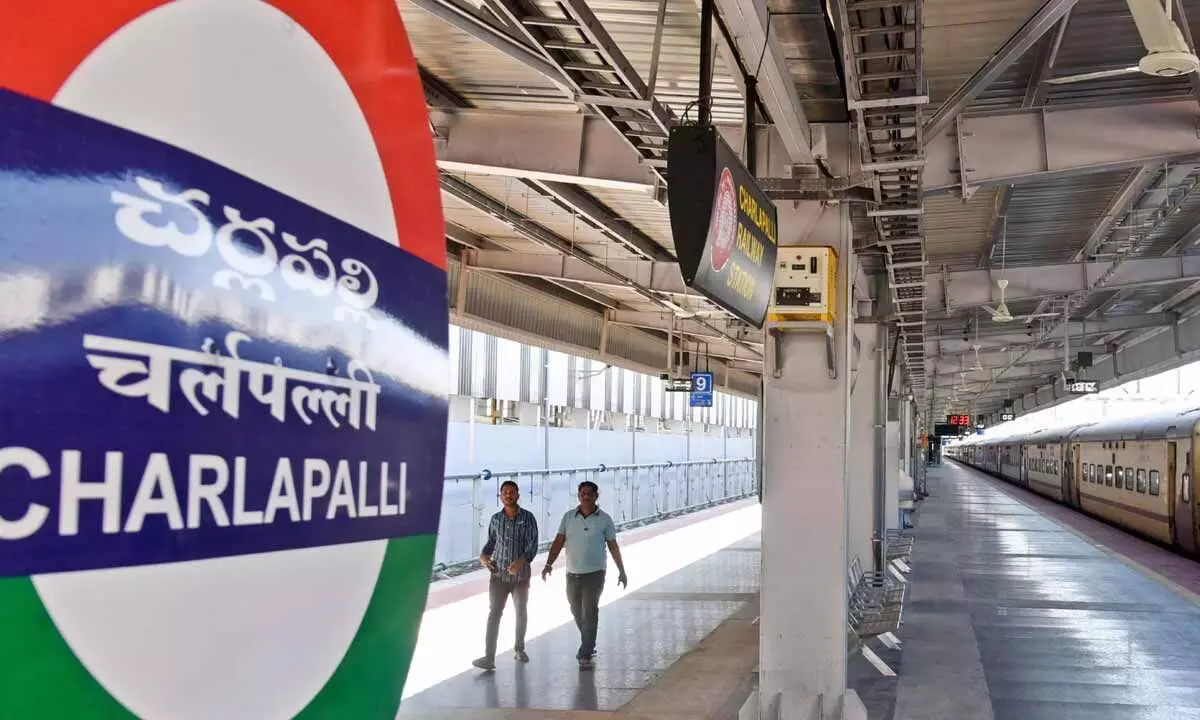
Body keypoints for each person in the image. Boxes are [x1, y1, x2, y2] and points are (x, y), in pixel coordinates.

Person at [541, 480, 627, 670]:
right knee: (576, 610)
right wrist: (548, 564)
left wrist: (621, 570)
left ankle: (585, 651)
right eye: (583, 493)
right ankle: (589, 641)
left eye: (590, 493)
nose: (586, 496)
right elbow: (558, 541)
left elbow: (613, 546)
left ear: (597, 496)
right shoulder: (568, 517)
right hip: (572, 573)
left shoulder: (604, 519)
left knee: (590, 611)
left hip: (595, 574)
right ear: (578, 496)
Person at [473, 480, 539, 671]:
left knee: (520, 612)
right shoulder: (495, 519)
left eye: (512, 492)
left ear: (518, 495)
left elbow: (532, 545)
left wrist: (521, 561)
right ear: (500, 496)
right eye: (505, 493)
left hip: (521, 577)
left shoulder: (528, 518)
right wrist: (484, 556)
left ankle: (519, 649)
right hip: (498, 576)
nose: (508, 495)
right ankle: (489, 657)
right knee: (494, 613)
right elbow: (491, 542)